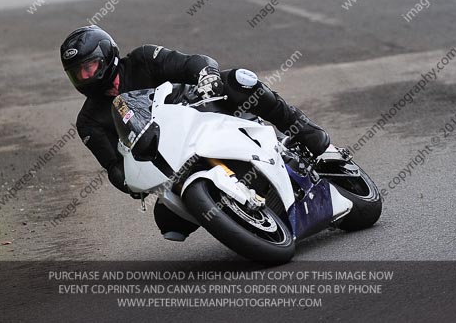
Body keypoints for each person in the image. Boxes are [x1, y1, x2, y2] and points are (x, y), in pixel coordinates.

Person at [60, 25, 330, 241]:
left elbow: (190, 62)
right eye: (76, 74)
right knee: (168, 224)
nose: (84, 77)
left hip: (204, 114)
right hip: (170, 163)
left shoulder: (143, 59)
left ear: (107, 56)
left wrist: (206, 74)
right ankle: (238, 215)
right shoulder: (88, 121)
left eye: (88, 67)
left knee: (239, 81)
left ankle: (305, 130)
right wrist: (129, 182)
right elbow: (113, 166)